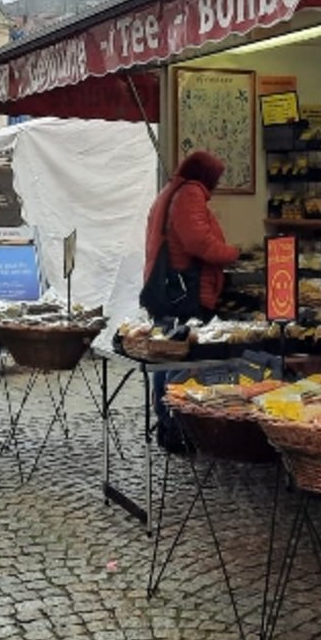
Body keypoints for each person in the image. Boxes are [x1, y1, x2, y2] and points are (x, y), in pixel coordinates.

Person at [143, 149, 240, 453]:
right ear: (206, 175)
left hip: (168, 291)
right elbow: (198, 242)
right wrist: (233, 254)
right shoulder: (190, 194)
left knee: (166, 356)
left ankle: (167, 424)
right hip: (185, 293)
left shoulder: (172, 190)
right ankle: (176, 426)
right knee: (183, 359)